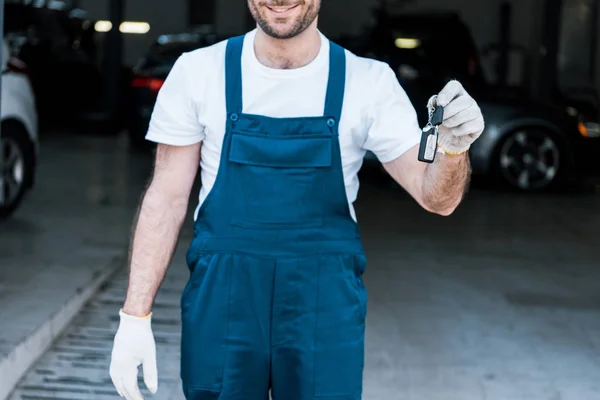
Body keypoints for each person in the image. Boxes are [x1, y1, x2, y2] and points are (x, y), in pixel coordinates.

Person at [109, 1, 485, 399]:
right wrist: (134, 316)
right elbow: (165, 198)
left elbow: (436, 198)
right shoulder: (198, 72)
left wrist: (452, 151)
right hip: (224, 306)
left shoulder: (368, 82)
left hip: (322, 309)